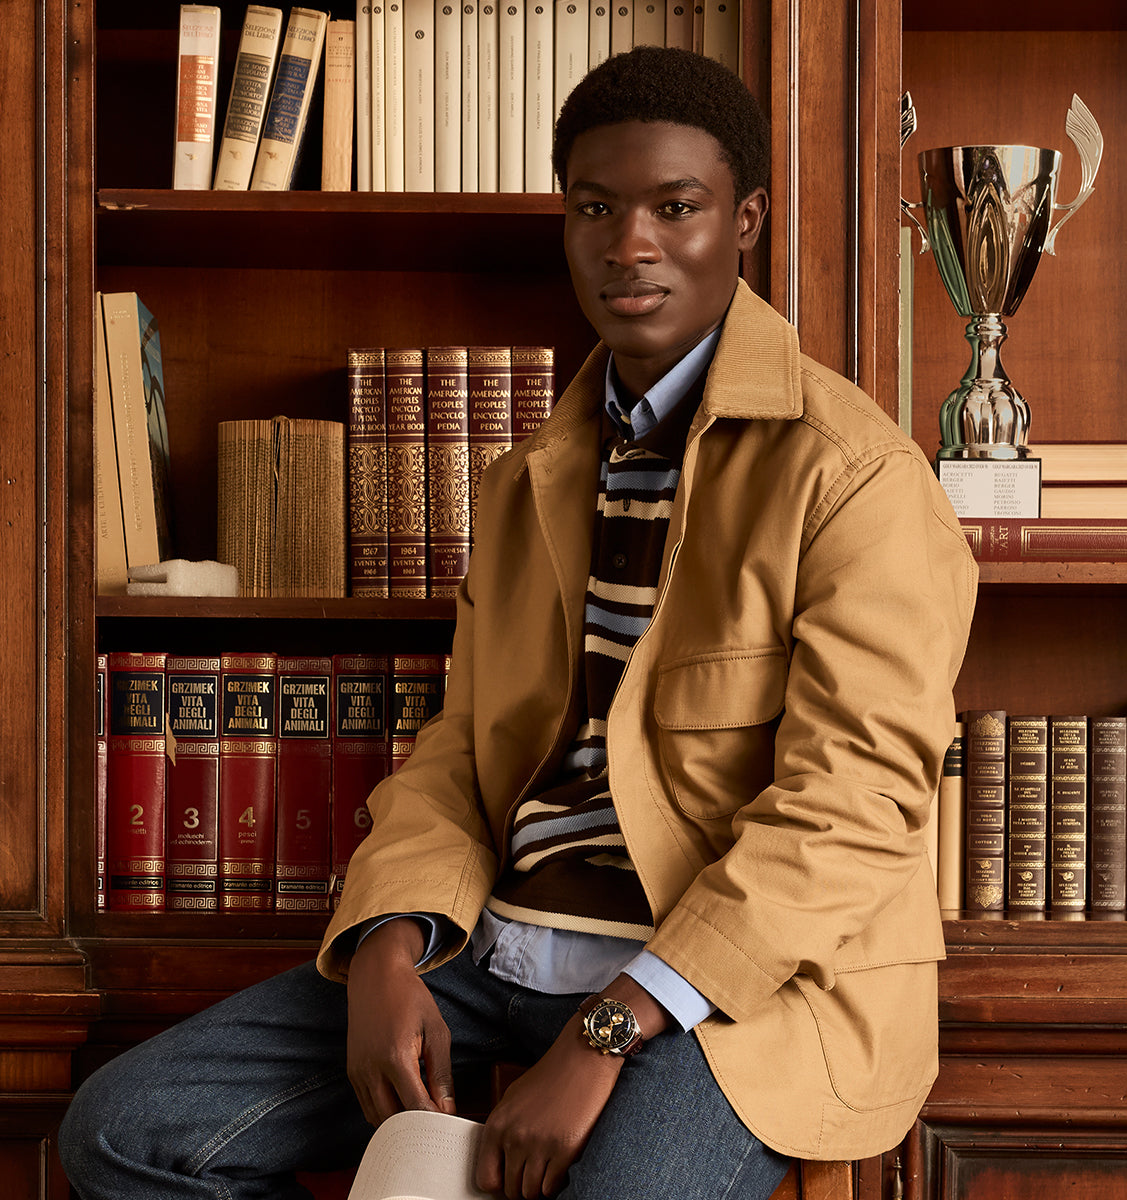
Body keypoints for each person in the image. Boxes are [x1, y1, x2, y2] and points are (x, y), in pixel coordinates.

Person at [59, 46, 977, 1200]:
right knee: (124, 1131)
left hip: (737, 989)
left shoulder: (858, 477)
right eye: (595, 208)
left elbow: (855, 807)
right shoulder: (525, 478)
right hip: (495, 949)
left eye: (675, 208)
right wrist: (388, 938)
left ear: (743, 221)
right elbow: (462, 746)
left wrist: (607, 1030)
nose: (629, 243)